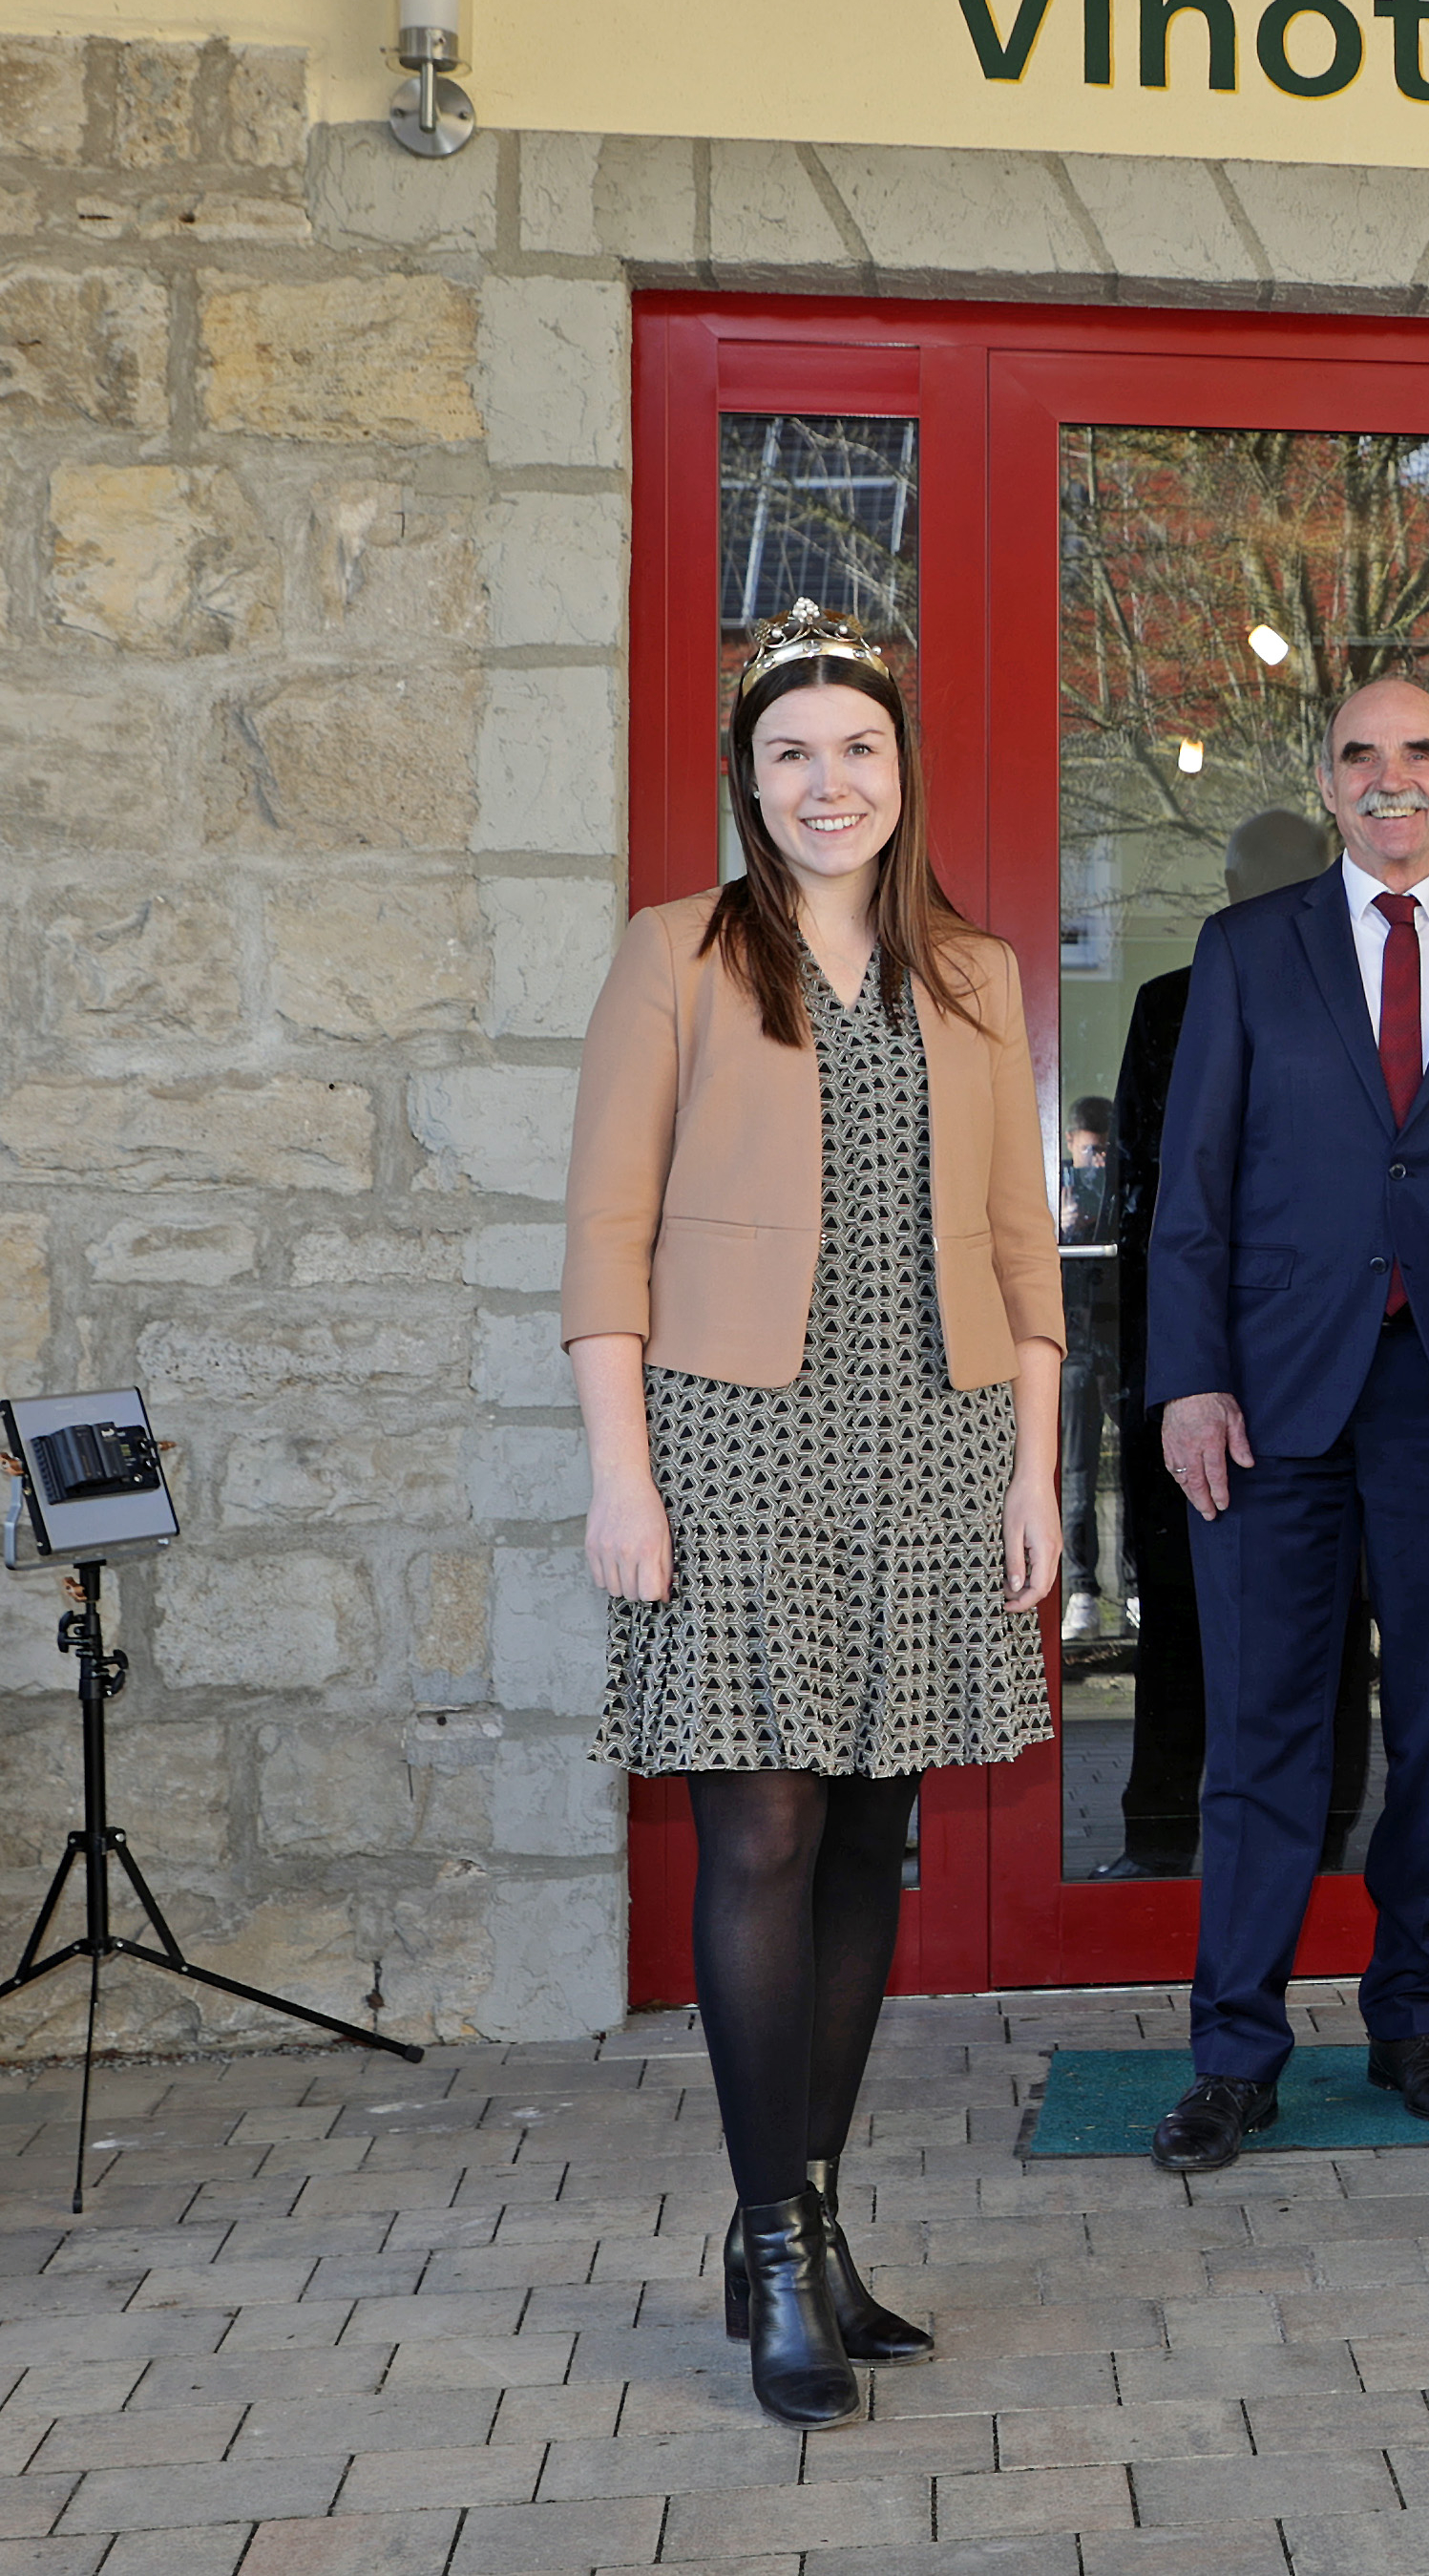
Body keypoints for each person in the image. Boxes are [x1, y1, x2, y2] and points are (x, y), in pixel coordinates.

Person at [562, 600, 1063, 2429]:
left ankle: (813, 2214)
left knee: (869, 1838)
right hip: (730, 1441)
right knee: (764, 1832)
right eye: (790, 752)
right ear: (747, 777)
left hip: (933, 1439)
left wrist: (1035, 1469)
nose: (826, 781)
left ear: (901, 770)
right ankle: (773, 2241)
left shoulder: (974, 974)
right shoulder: (677, 954)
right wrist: (622, 1472)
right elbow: (606, 1230)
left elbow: (1019, 1243)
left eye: (857, 747)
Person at [1144, 676, 1429, 2164]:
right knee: (1264, 1734)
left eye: (1419, 753)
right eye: (1361, 755)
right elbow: (1192, 1187)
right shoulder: (1246, 951)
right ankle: (1235, 2049)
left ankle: (1414, 2017)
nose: (1390, 778)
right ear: (1327, 779)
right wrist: (1188, 1379)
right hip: (1272, 1397)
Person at [1102, 811, 1329, 1881]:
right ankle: (1162, 1834)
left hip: (1314, 1356)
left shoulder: (1360, 995)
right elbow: (1142, 1197)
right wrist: (1155, 1366)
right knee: (1183, 1604)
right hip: (1191, 1350)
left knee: (1313, 1622)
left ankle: (1301, 1852)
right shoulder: (1170, 1003)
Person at [1058, 1098, 1122, 1642]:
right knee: (1077, 1472)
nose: (1096, 1163)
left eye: (1104, 1152)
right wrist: (1064, 1227)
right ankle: (1082, 1590)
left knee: (1133, 1468)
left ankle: (1133, 1587)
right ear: (1071, 1144)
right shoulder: (1055, 1188)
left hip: (1117, 1338)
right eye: (1089, 1151)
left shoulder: (1124, 1188)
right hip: (1075, 1341)